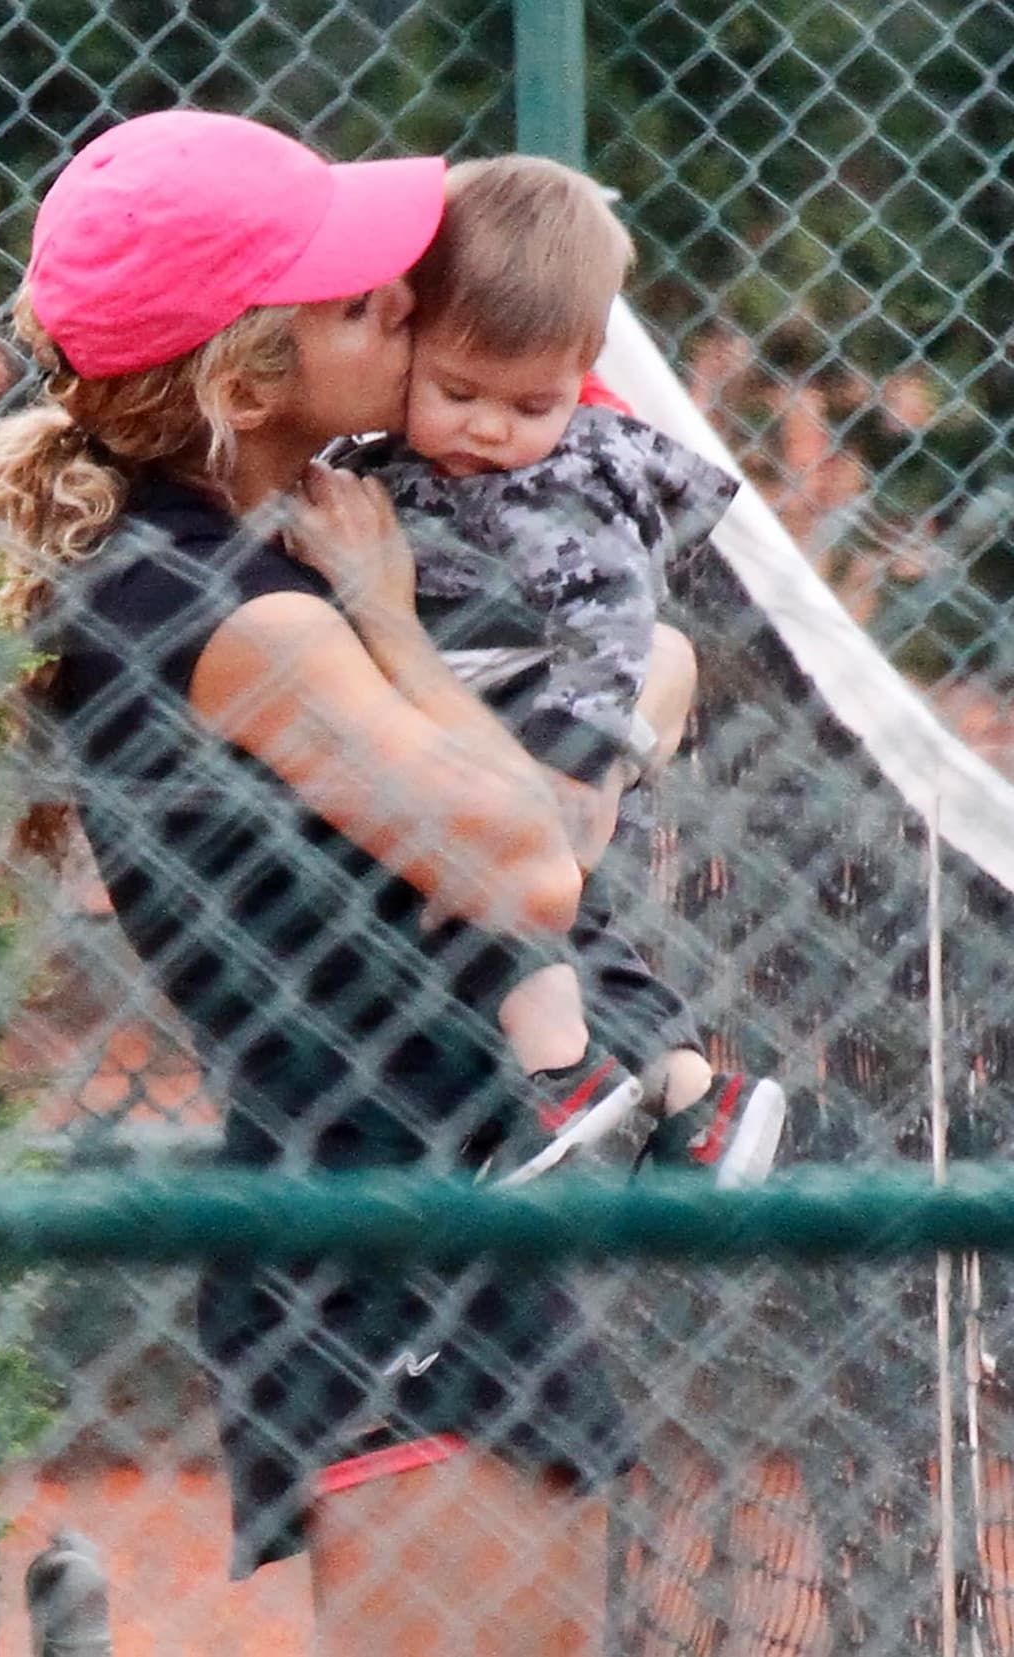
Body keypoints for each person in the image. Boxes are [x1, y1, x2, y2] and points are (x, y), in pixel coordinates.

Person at [0, 109, 644, 1649]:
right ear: (247, 378)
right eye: (352, 302)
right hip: (386, 1238)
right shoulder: (231, 612)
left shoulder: (221, 556)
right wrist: (396, 616)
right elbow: (535, 864)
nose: (402, 301)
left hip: (416, 1198)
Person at [331, 155, 787, 1186]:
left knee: (477, 884)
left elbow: (612, 616)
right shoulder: (402, 450)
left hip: (538, 714)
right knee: (575, 922)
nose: (491, 429)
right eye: (457, 393)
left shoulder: (570, 476)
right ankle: (692, 1094)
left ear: (581, 373)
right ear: (407, 339)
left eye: (530, 403)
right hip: (492, 691)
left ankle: (563, 1075)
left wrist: (574, 765)